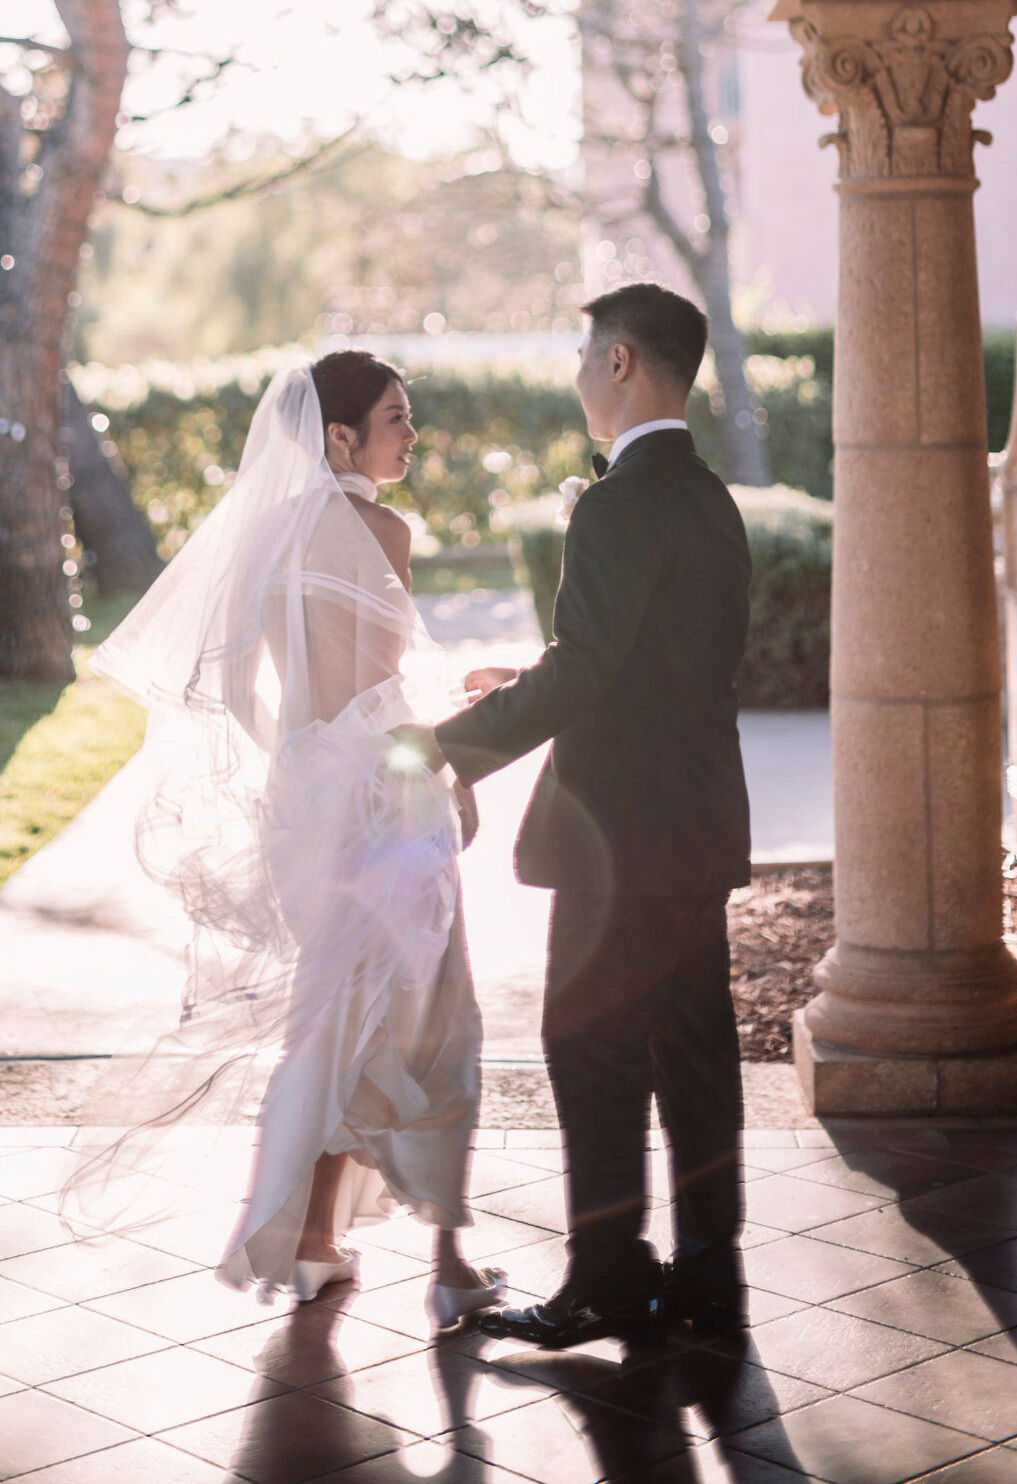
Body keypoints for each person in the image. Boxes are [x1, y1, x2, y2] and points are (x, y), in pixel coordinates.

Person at [80, 350, 506, 1326]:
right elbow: (390, 689)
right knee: (431, 1016)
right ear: (340, 436)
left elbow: (237, 692)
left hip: (308, 797)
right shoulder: (384, 531)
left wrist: (305, 761)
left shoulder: (264, 536)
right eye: (395, 418)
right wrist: (456, 755)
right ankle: (448, 1266)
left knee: (332, 1019)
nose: (411, 434)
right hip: (386, 798)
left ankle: (311, 1240)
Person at [430, 283, 753, 1346]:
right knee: (694, 1055)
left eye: (584, 355)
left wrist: (446, 747)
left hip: (619, 840)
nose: (577, 376)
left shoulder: (619, 502)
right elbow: (647, 659)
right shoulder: (710, 495)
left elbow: (588, 670)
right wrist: (525, 676)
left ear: (620, 361)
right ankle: (708, 1272)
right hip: (696, 825)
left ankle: (609, 1279)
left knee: (591, 1049)